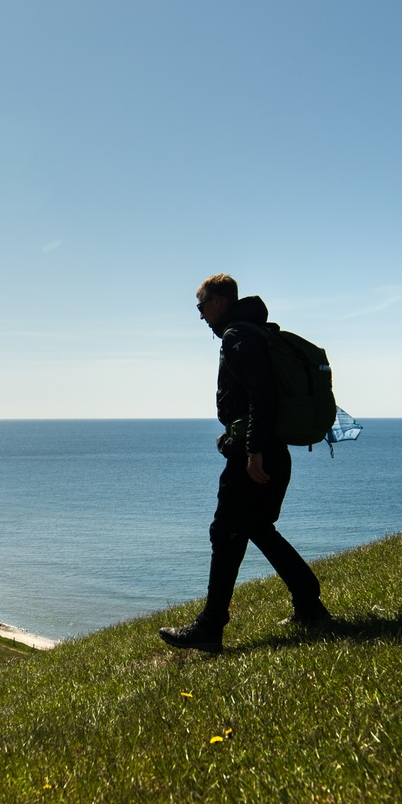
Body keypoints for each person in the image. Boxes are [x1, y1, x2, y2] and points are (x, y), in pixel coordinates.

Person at [159, 274, 331, 655]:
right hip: (273, 449)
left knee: (226, 532)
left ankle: (209, 627)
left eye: (202, 306)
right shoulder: (256, 331)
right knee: (257, 527)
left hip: (254, 455)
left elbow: (261, 394)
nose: (201, 316)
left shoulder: (239, 336)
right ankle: (309, 604)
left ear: (219, 301)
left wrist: (252, 450)